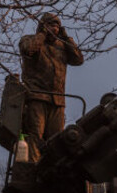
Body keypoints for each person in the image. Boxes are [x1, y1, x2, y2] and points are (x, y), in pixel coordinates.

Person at [18, 12, 84, 159]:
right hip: (37, 97)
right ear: (43, 26)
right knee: (35, 136)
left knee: (56, 140)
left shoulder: (62, 46)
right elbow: (29, 50)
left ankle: (50, 173)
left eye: (57, 26)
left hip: (58, 101)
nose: (54, 28)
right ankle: (33, 170)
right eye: (51, 25)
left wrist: (66, 37)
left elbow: (78, 59)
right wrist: (42, 34)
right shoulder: (30, 40)